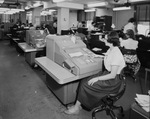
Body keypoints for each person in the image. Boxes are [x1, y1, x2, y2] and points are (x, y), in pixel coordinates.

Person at [64, 31, 126, 114]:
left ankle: (76, 108)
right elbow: (107, 57)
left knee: (86, 83)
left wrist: (97, 78)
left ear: (111, 42)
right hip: (108, 75)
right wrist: (96, 56)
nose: (103, 40)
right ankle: (78, 105)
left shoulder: (116, 54)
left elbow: (112, 75)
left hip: (112, 81)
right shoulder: (112, 49)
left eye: (105, 38)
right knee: (84, 80)